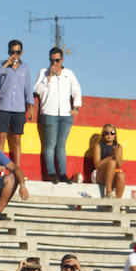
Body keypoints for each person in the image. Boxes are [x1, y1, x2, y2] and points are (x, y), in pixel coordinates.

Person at [34, 46, 82, 183]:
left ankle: (62, 173)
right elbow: (37, 90)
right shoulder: (43, 72)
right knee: (50, 144)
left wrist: (76, 108)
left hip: (66, 114)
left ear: (62, 60)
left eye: (57, 60)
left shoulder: (69, 73)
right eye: (52, 60)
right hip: (49, 112)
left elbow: (76, 90)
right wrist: (48, 78)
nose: (55, 63)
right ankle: (51, 173)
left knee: (61, 145)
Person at [0, 39, 34, 169]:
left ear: (22, 52)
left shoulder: (25, 68)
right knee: (1, 137)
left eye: (18, 52)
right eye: (13, 52)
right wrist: (5, 65)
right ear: (9, 52)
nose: (15, 55)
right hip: (3, 106)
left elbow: (27, 88)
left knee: (17, 139)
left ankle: (17, 168)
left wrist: (30, 105)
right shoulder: (1, 65)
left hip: (19, 108)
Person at [91, 123, 124, 197]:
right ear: (103, 134)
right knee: (112, 162)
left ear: (115, 135)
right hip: (99, 175)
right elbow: (97, 165)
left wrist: (116, 154)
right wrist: (110, 157)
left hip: (112, 174)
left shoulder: (118, 147)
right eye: (107, 133)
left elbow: (120, 165)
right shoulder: (98, 146)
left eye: (112, 133)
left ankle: (118, 202)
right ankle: (108, 191)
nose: (110, 135)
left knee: (121, 175)